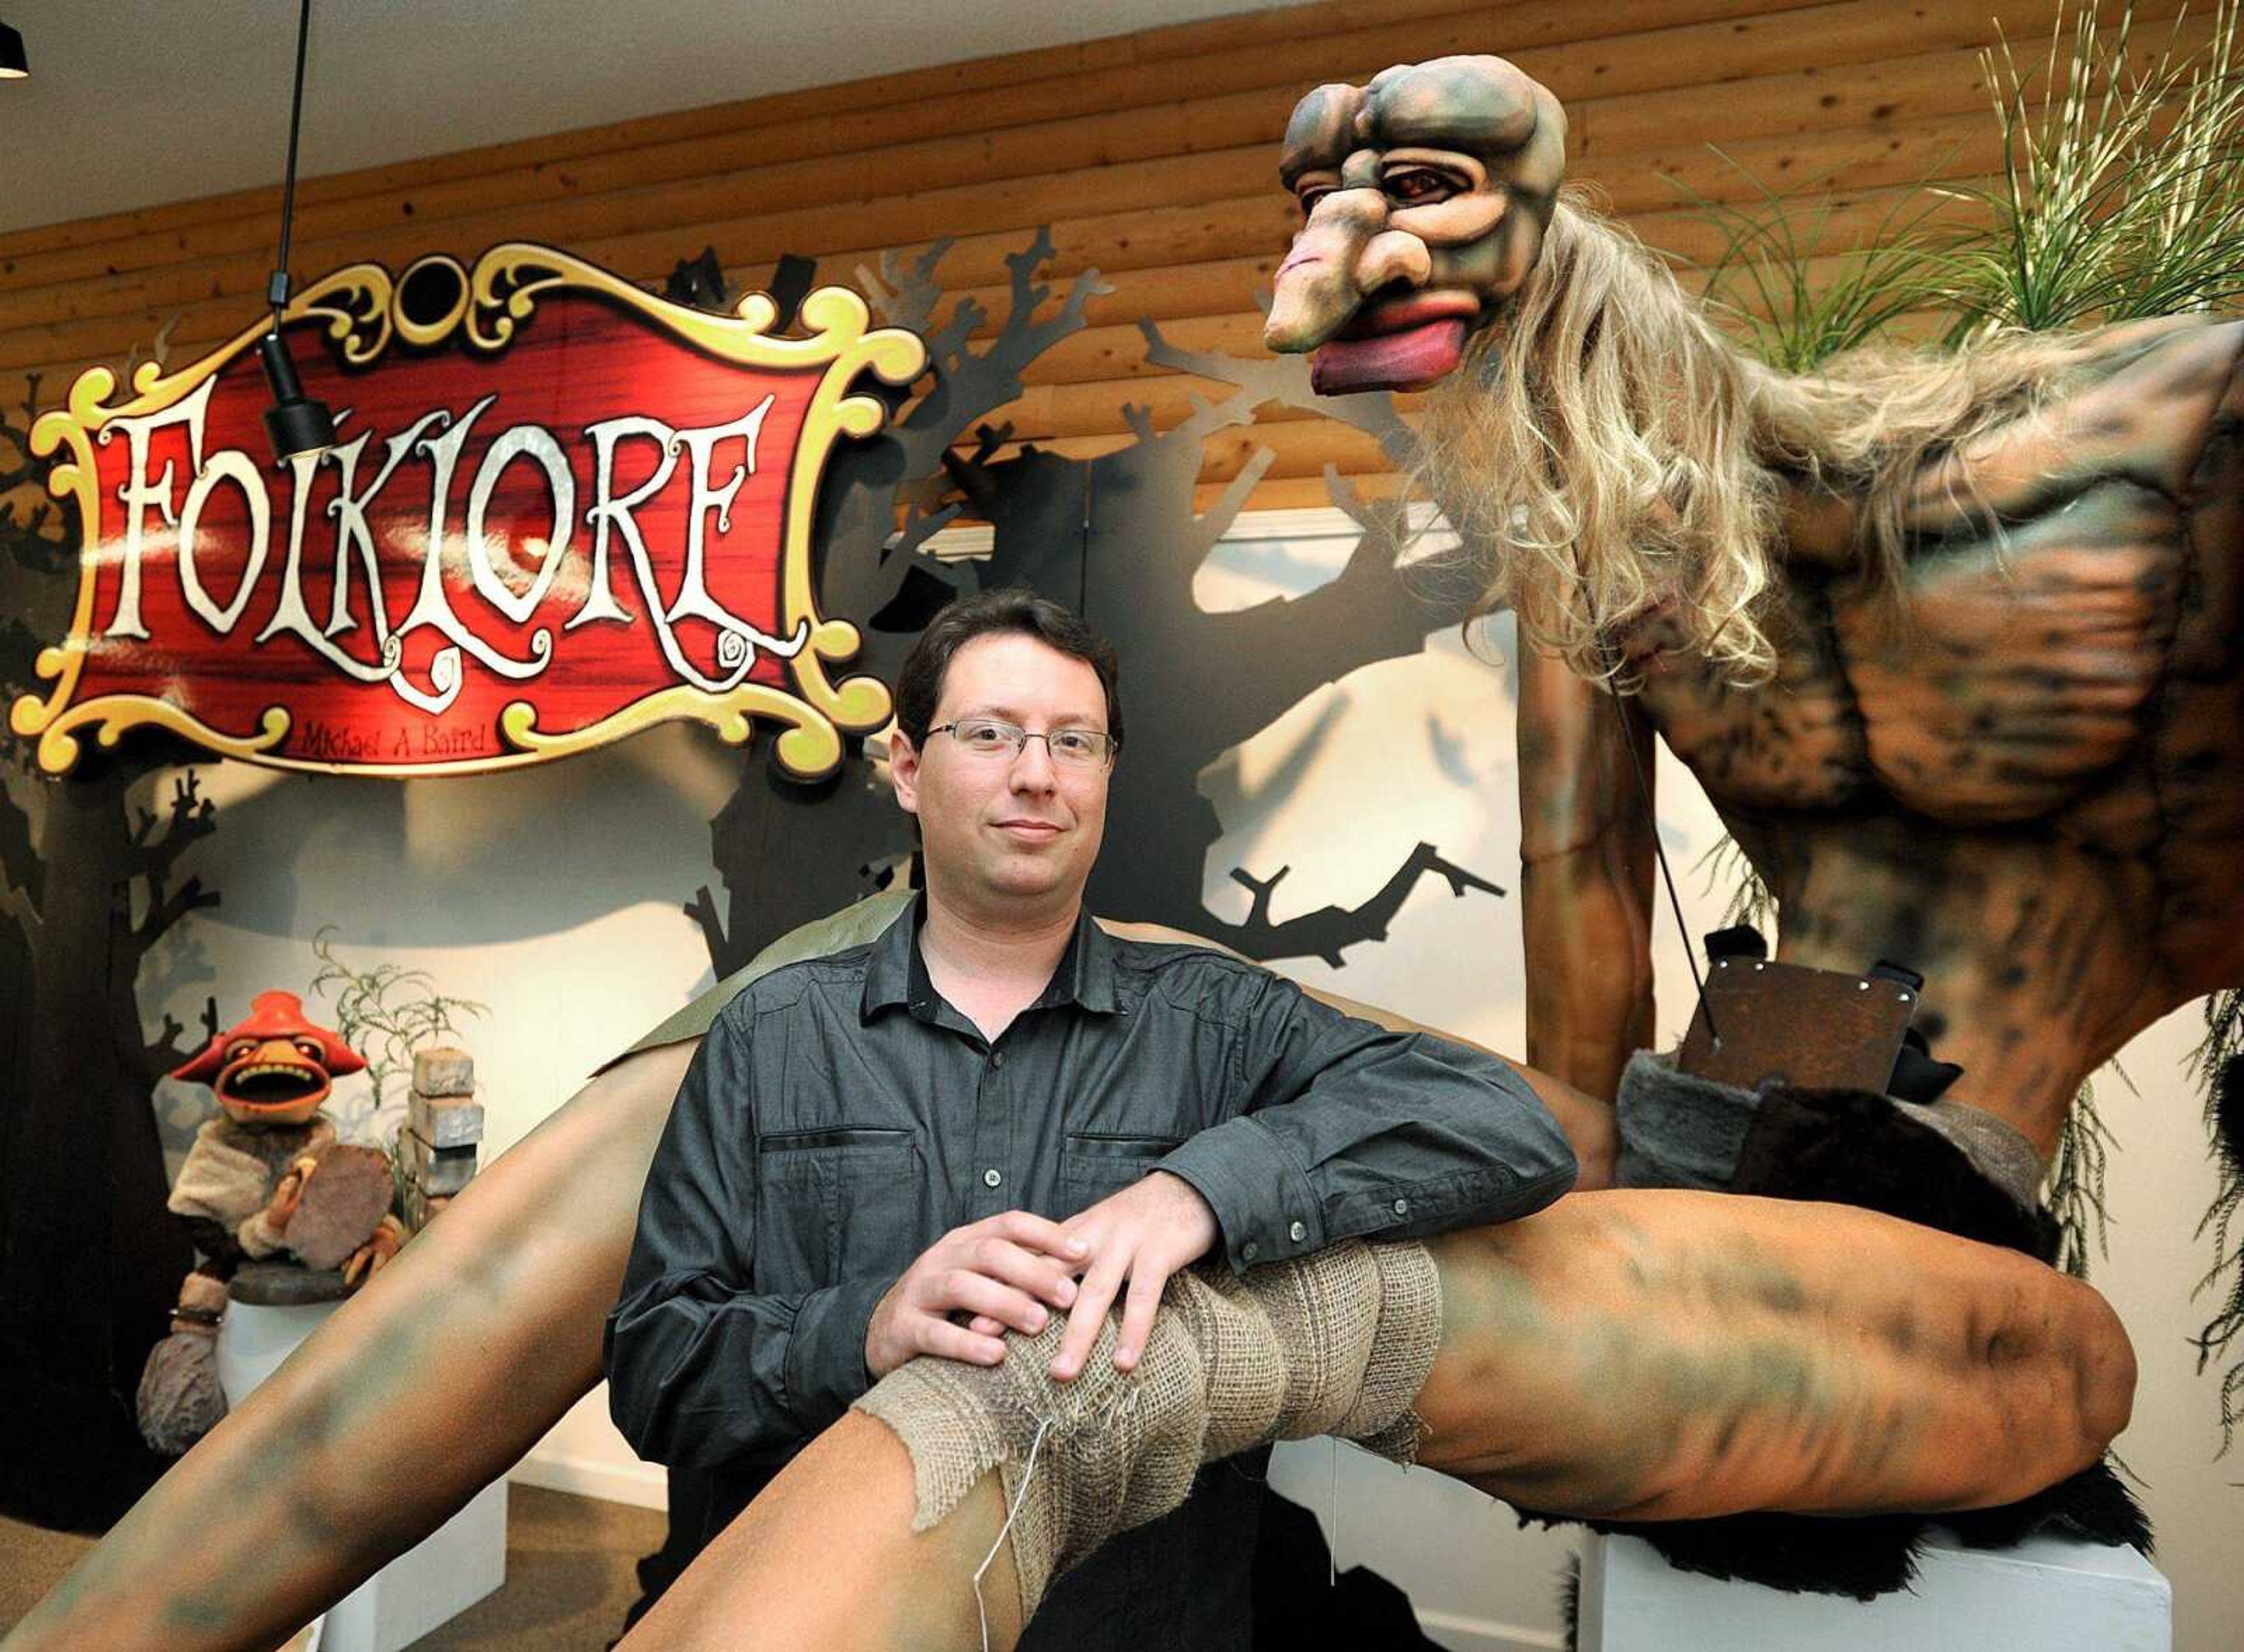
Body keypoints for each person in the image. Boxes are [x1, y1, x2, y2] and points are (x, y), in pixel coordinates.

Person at [601, 588, 1579, 1649]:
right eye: (990, 735)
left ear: (1108, 775)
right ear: (907, 767)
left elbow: (1506, 1124)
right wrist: (868, 1325)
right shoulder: (772, 1036)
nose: (1037, 773)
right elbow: (658, 1374)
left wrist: (1204, 1189)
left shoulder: (1222, 1022)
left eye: (1075, 741)